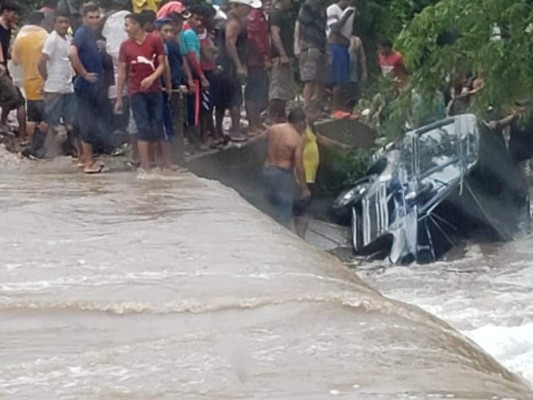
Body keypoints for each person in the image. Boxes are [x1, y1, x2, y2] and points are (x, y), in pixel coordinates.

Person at [115, 12, 166, 172]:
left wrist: (152, 78)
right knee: (142, 127)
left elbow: (162, 65)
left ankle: (160, 164)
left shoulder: (155, 40)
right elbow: (122, 72)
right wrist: (119, 98)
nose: (126, 29)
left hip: (155, 90)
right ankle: (146, 167)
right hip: (136, 91)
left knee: (157, 124)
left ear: (137, 25)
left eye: (128, 25)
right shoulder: (125, 46)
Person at [294, 99, 349, 237]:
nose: (318, 118)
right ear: (308, 111)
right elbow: (297, 151)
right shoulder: (301, 128)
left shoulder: (310, 128)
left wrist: (340, 146)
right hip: (303, 174)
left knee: (306, 205)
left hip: (310, 174)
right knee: (303, 206)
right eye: (316, 114)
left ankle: (300, 235)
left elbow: (321, 139)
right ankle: (299, 236)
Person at [69, 3, 112, 173]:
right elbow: (72, 52)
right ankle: (88, 163)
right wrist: (85, 73)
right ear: (83, 17)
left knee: (82, 121)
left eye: (96, 17)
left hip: (92, 84)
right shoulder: (81, 33)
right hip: (87, 84)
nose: (94, 20)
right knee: (88, 122)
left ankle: (83, 159)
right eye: (91, 17)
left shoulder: (92, 35)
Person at [213, 0, 261, 143]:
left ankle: (220, 131)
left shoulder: (230, 20)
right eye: (246, 7)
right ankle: (235, 129)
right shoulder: (234, 22)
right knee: (235, 99)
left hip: (224, 65)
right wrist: (239, 65)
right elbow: (230, 43)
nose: (248, 10)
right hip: (229, 67)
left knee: (224, 100)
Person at [39, 12, 78, 160]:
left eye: (65, 22)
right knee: (51, 121)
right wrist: (47, 78)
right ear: (54, 24)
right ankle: (47, 152)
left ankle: (68, 149)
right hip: (54, 87)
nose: (63, 25)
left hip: (67, 86)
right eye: (60, 22)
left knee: (70, 121)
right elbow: (41, 62)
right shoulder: (52, 40)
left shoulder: (68, 39)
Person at [262, 107, 310, 225]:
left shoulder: (274, 128)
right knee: (284, 209)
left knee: (270, 206)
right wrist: (304, 188)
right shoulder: (297, 139)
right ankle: (280, 236)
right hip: (282, 174)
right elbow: (299, 167)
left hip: (267, 170)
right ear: (300, 122)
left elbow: (256, 140)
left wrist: (241, 146)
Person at [11, 11, 49, 156]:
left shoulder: (21, 36)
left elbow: (15, 61)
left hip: (28, 82)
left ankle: (30, 142)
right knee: (45, 117)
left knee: (32, 117)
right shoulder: (45, 36)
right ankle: (40, 148)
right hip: (43, 81)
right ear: (42, 22)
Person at [179, 4, 211, 148]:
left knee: (191, 108)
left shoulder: (184, 31)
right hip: (193, 74)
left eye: (201, 21)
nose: (199, 23)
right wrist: (201, 76)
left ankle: (192, 141)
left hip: (189, 74)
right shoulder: (190, 33)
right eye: (197, 19)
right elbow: (191, 57)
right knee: (194, 109)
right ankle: (194, 142)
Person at [0, 0, 26, 137]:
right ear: (5, 13)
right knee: (12, 96)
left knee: (15, 97)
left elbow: (6, 47)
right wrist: (1, 63)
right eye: (13, 13)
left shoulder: (7, 27)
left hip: (5, 67)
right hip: (1, 68)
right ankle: (2, 123)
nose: (16, 16)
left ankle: (3, 123)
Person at [294, 0, 327, 105]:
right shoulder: (309, 5)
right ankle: (306, 107)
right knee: (310, 79)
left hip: (321, 47)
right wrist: (296, 44)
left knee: (322, 80)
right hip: (309, 45)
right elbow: (299, 23)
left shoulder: (324, 8)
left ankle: (316, 107)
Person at [245, 0, 271, 133]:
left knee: (260, 91)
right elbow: (255, 39)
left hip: (257, 59)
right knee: (254, 91)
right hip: (255, 60)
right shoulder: (255, 16)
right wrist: (264, 55)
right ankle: (253, 122)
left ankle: (256, 121)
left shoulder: (260, 15)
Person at [268, 0, 295, 123]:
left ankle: (281, 115)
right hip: (279, 57)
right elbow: (275, 34)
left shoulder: (284, 15)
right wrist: (282, 54)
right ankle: (273, 116)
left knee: (284, 88)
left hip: (286, 55)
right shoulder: (276, 15)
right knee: (277, 89)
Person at [325, 0, 355, 112]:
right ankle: (335, 109)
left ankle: (341, 108)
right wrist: (347, 14)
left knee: (343, 81)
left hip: (344, 48)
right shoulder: (333, 9)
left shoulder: (351, 10)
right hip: (335, 47)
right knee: (337, 80)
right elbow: (335, 28)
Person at [347, 34, 367, 109]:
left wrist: (364, 71)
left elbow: (362, 57)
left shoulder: (356, 40)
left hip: (353, 75)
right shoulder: (338, 38)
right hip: (341, 74)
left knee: (353, 95)